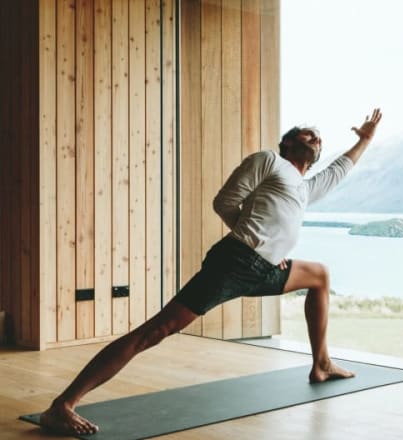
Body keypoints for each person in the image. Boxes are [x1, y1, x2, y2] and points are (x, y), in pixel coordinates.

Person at [40, 108, 383, 435]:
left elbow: (341, 168)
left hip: (263, 269)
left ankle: (321, 364)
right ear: (288, 143)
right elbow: (225, 202)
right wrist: (254, 240)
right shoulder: (270, 161)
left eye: (319, 139)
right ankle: (63, 405)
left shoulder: (305, 188)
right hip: (236, 262)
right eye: (307, 134)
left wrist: (365, 140)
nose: (315, 138)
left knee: (319, 275)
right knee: (156, 331)